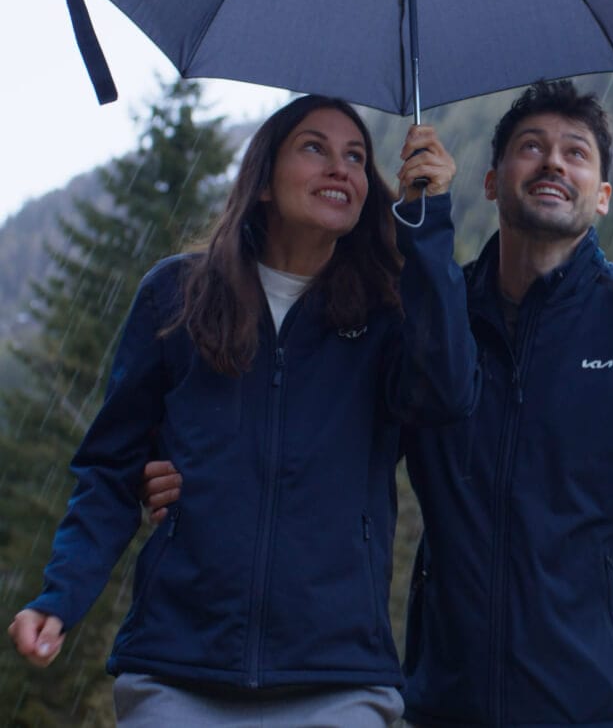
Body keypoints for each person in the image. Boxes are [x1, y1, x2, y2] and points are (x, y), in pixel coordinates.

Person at [141, 81, 613, 727]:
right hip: (446, 707)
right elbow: (315, 446)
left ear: (601, 197)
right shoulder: (427, 324)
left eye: (576, 153)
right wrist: (191, 476)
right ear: (490, 182)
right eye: (531, 146)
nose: (552, 162)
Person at [8, 94, 478, 727]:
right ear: (262, 181)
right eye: (314, 147)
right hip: (178, 669)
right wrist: (61, 597)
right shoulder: (176, 295)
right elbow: (112, 470)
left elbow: (447, 392)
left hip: (336, 676)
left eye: (357, 157)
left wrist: (428, 222)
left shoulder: (386, 316)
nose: (341, 168)